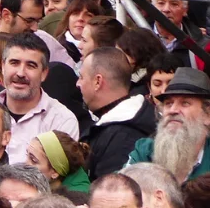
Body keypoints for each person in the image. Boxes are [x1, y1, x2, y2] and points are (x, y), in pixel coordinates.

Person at [0, 33, 80, 163]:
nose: (20, 73)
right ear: (3, 66)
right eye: (14, 63)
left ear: (44, 73)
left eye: (31, 66)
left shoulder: (61, 121)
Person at [78, 47, 156, 179]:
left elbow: (112, 194)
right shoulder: (120, 126)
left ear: (98, 81)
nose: (77, 83)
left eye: (81, 77)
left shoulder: (122, 137)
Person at [127, 67, 210, 181]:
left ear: (207, 115)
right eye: (168, 103)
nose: (173, 110)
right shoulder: (145, 150)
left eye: (185, 103)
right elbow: (119, 188)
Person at [26, 131, 91, 194]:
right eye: (27, 154)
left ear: (55, 172)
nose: (25, 164)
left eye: (33, 160)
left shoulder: (76, 198)